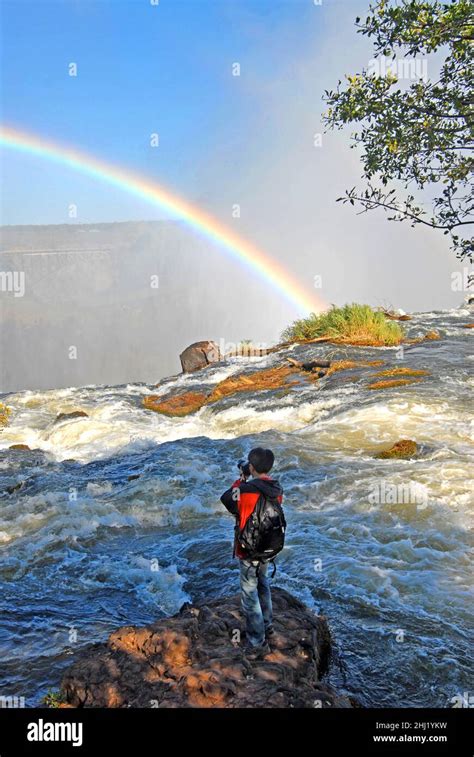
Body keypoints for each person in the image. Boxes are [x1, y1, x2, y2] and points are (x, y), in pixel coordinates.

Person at [220, 447, 284, 659]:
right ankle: (268, 627)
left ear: (252, 467)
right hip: (268, 546)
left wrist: (241, 478)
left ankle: (257, 642)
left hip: (248, 549)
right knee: (264, 584)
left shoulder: (246, 490)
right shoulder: (276, 488)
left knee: (249, 593)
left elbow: (227, 499)